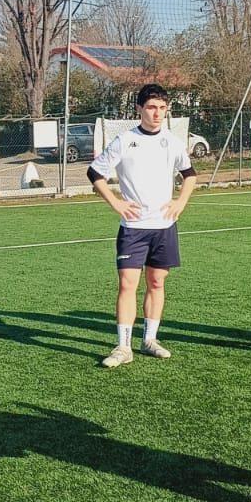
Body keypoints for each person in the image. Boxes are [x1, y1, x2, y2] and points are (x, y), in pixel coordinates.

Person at [88, 84, 197, 367]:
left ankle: (149, 340)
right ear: (139, 109)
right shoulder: (125, 140)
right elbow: (95, 172)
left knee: (157, 282)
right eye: (151, 107)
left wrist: (180, 203)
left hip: (164, 227)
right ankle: (123, 347)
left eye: (162, 108)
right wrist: (116, 203)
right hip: (133, 228)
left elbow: (190, 175)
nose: (157, 113)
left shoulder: (172, 142)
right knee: (127, 284)